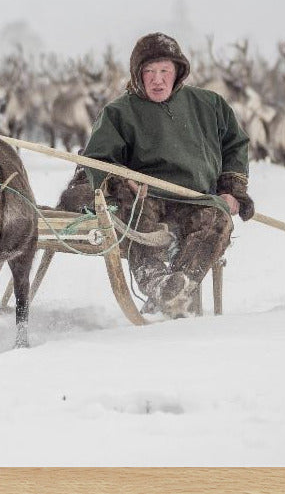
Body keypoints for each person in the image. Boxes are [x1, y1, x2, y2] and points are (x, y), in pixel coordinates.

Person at [81, 32, 255, 317]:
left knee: (218, 221)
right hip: (146, 197)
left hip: (198, 199)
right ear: (138, 75)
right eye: (149, 72)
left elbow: (235, 144)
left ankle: (178, 286)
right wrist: (124, 180)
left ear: (178, 72)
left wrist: (232, 191)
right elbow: (98, 160)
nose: (157, 79)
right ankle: (157, 284)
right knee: (139, 222)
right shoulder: (118, 113)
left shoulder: (210, 105)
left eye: (164, 71)